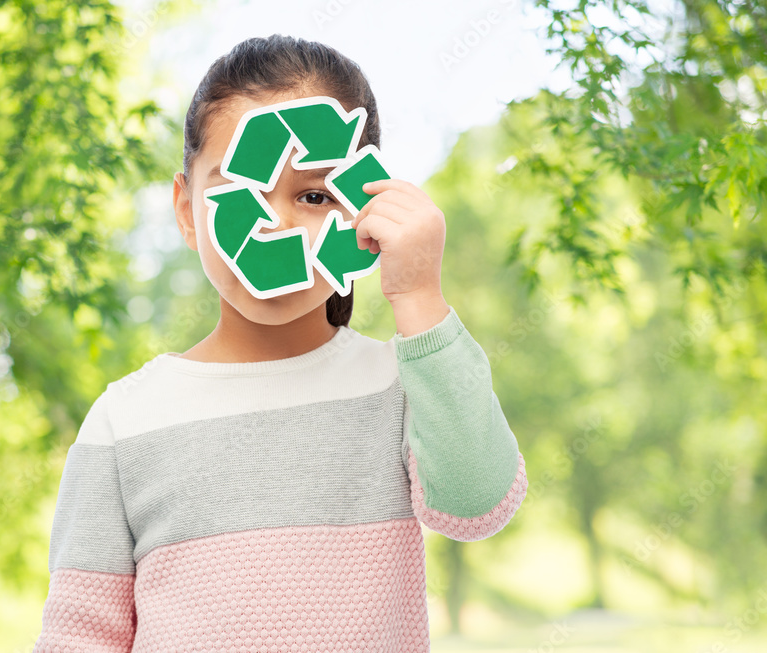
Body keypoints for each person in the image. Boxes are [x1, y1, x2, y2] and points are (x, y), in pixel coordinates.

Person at [32, 34, 527, 653]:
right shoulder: (122, 421)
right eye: (243, 189)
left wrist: (420, 297)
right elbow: (81, 633)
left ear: (364, 207)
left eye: (315, 196)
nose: (278, 225)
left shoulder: (401, 382)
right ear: (187, 209)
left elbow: (478, 504)